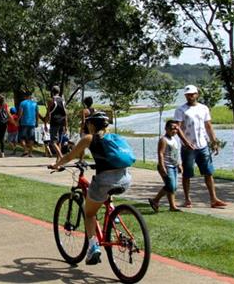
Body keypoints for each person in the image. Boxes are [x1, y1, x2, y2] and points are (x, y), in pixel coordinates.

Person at [50, 111, 132, 265]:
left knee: (89, 213)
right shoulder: (115, 137)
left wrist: (56, 165)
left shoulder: (89, 138)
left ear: (92, 125)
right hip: (125, 178)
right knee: (106, 194)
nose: (87, 126)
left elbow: (69, 156)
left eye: (88, 124)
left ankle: (93, 247)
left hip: (105, 181)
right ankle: (113, 216)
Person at [174, 85, 227, 209]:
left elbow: (208, 126)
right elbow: (178, 127)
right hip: (188, 147)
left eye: (192, 94)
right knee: (187, 174)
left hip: (203, 145)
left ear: (197, 94)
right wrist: (186, 142)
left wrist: (214, 142)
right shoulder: (181, 110)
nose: (190, 96)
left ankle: (213, 199)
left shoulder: (203, 108)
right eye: (188, 94)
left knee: (208, 172)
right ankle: (187, 199)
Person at [149, 120, 183, 213]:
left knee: (173, 187)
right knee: (171, 186)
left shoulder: (174, 140)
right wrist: (162, 166)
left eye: (176, 129)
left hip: (174, 166)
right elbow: (160, 153)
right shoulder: (163, 139)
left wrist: (179, 164)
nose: (175, 131)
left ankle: (172, 206)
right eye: (172, 129)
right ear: (166, 129)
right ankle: (155, 200)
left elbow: (175, 154)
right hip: (167, 166)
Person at [18, 91, 46, 157]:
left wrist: (17, 121)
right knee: (31, 138)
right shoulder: (35, 104)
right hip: (32, 123)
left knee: (21, 138)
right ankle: (30, 153)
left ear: (25, 96)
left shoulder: (22, 103)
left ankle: (25, 150)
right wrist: (37, 122)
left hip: (24, 123)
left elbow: (20, 113)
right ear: (30, 97)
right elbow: (37, 114)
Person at [47, 85, 68, 161]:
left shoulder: (51, 100)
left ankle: (61, 157)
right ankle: (58, 160)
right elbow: (65, 114)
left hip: (54, 122)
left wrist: (46, 122)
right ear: (59, 92)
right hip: (62, 122)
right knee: (59, 142)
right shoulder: (63, 101)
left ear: (52, 92)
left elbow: (48, 113)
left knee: (53, 142)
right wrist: (66, 125)